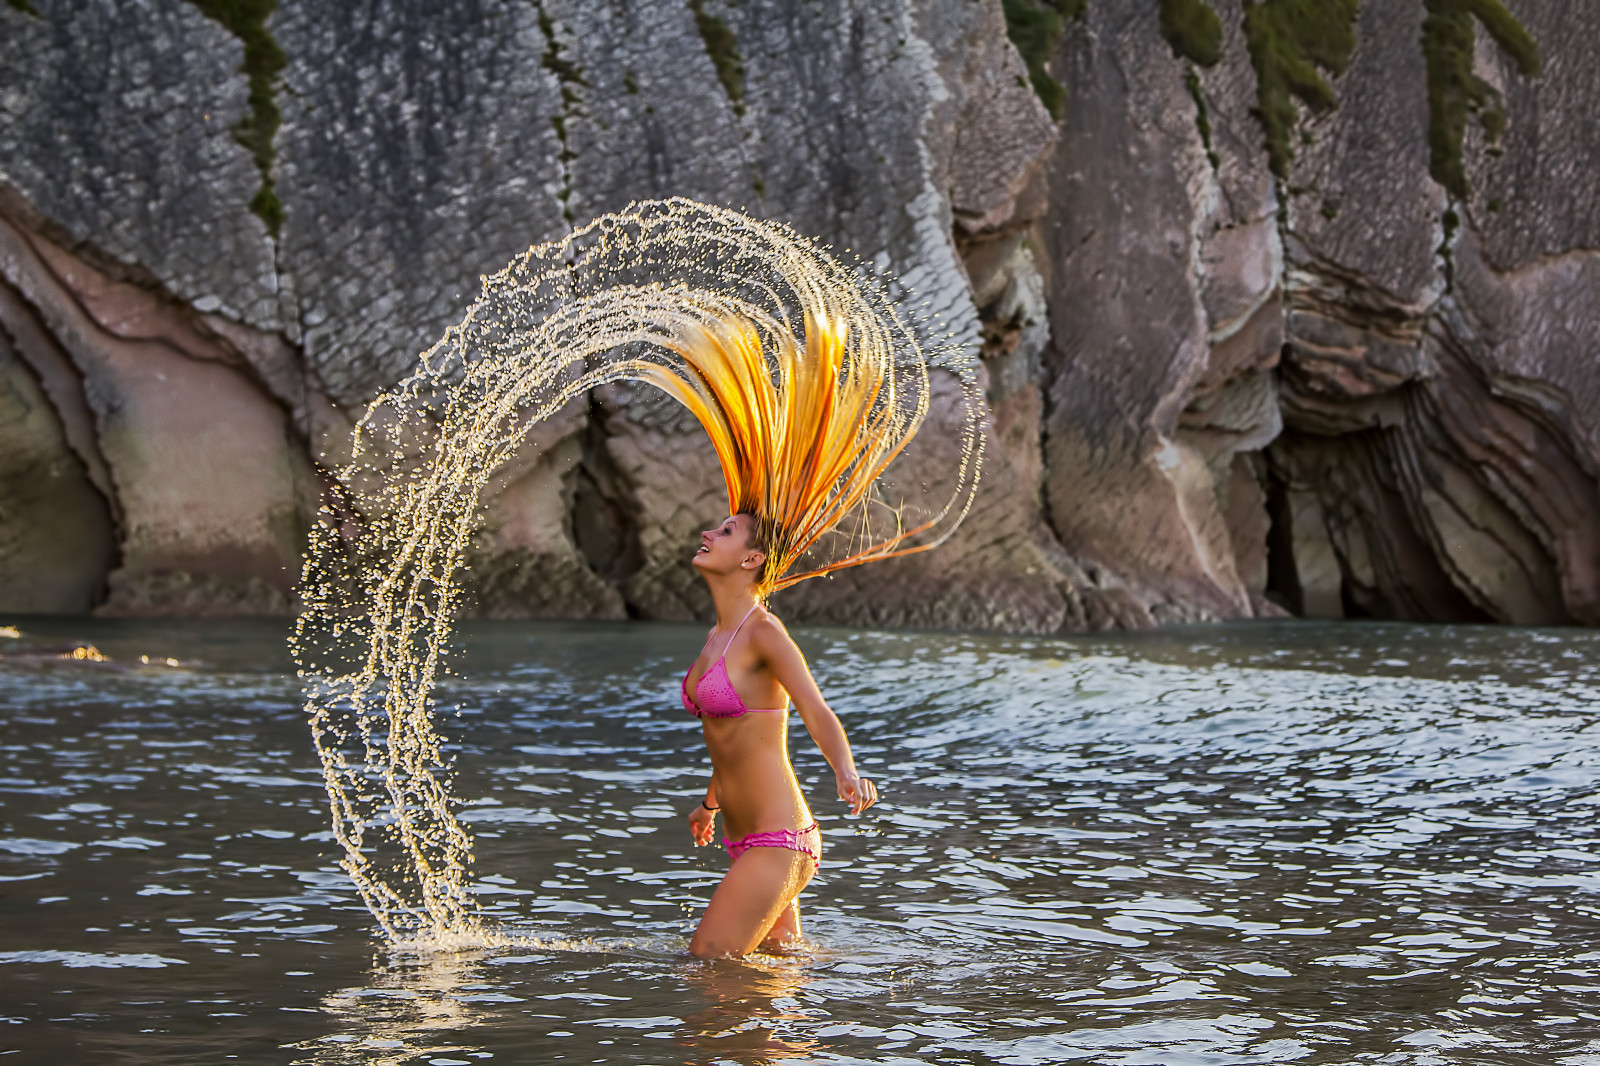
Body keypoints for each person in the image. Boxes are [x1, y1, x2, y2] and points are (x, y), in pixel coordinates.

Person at [681, 511, 878, 958]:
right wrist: (710, 803)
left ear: (752, 558)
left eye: (725, 531)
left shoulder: (764, 633)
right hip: (743, 838)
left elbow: (814, 708)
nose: (707, 532)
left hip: (778, 841)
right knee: (770, 983)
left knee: (707, 963)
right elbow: (733, 737)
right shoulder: (717, 634)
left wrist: (845, 772)